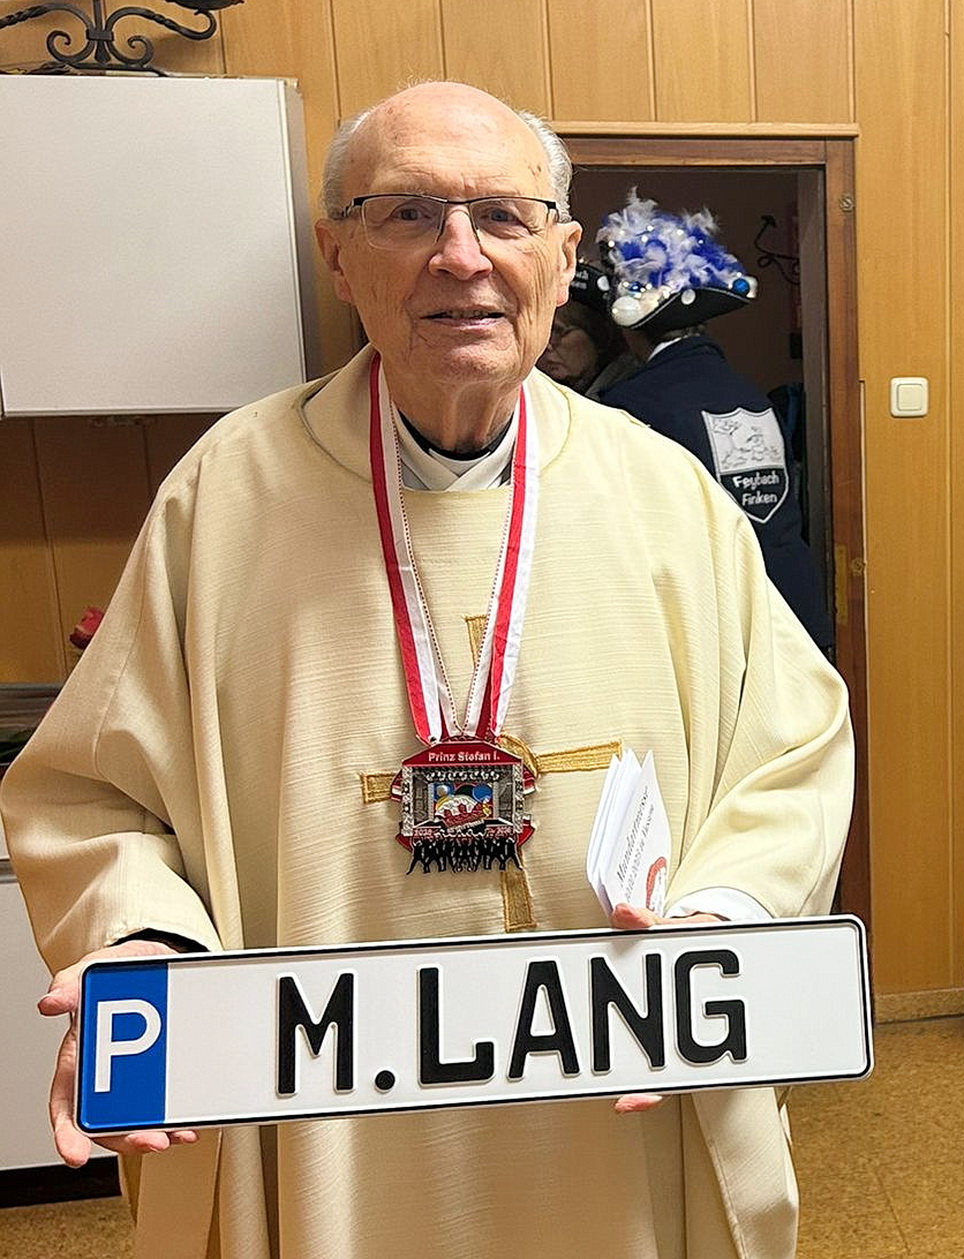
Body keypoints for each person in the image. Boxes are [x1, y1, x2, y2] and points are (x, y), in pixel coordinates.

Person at [0, 82, 853, 1259]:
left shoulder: (665, 497)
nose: (462, 257)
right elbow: (95, 792)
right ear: (338, 257)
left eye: (502, 217)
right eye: (408, 214)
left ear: (561, 257)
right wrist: (148, 941)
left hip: (610, 1080)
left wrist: (717, 917)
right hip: (323, 1111)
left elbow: (793, 752)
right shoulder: (225, 498)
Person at [594, 194, 835, 653]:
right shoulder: (747, 393)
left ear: (628, 330)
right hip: (796, 610)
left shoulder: (632, 404)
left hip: (721, 623)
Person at [537, 259, 639, 399]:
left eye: (558, 332)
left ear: (600, 336)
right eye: (541, 330)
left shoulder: (626, 395)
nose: (546, 345)